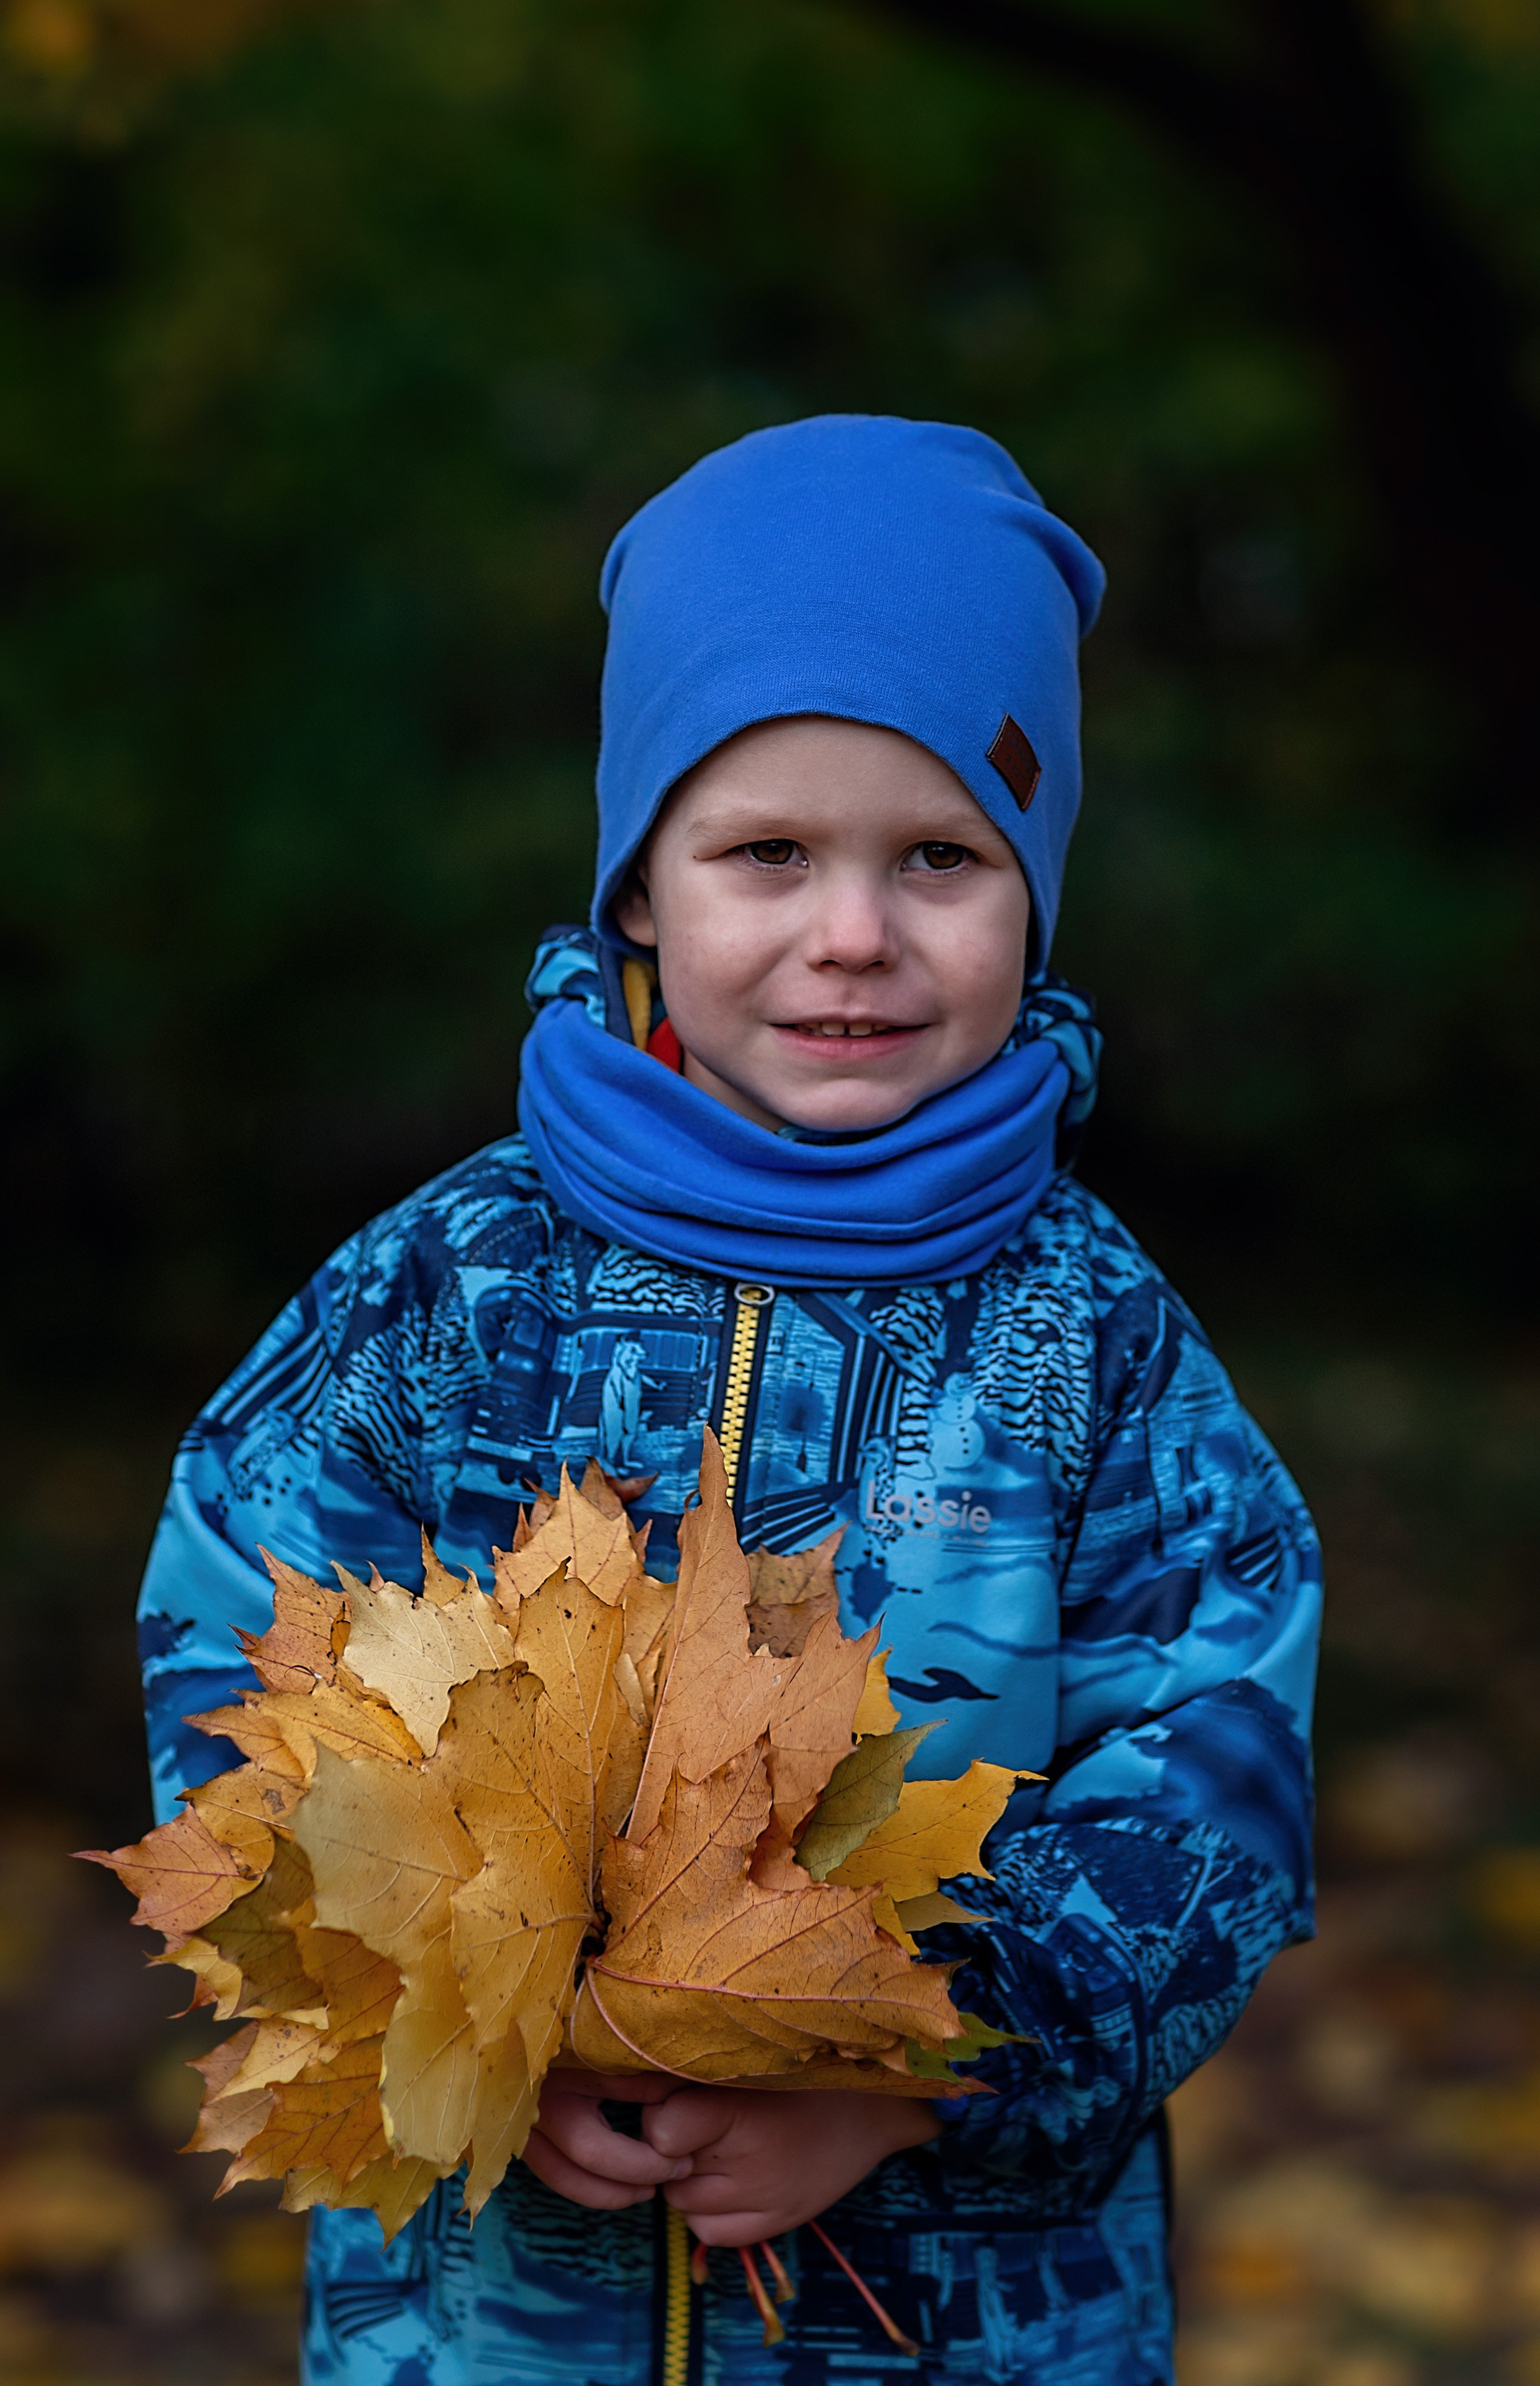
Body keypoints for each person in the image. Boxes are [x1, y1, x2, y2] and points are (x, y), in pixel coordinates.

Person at [137, 416, 1321, 2386]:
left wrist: (918, 2067)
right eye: (767, 852)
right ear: (638, 894)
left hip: (959, 2316)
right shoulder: (447, 1295)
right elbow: (240, 1637)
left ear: (1033, 897)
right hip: (497, 2303)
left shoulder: (1092, 1339)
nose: (852, 934)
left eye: (941, 858)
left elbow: (1214, 1758)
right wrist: (477, 2014)